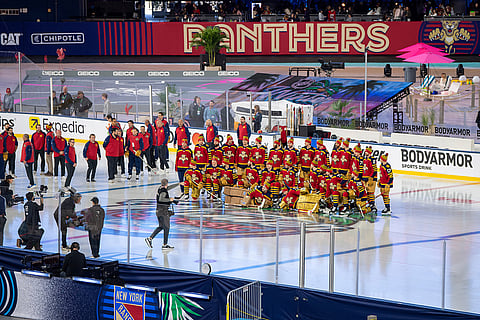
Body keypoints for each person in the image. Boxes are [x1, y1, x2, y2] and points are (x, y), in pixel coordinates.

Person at [145, 178, 175, 249]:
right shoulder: (164, 191)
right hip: (163, 212)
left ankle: (150, 238)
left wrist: (179, 184)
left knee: (161, 226)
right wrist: (170, 199)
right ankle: (165, 244)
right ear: (167, 184)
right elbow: (161, 199)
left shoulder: (160, 188)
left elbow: (168, 188)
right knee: (166, 227)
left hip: (158, 211)